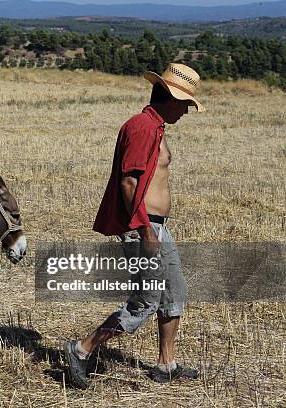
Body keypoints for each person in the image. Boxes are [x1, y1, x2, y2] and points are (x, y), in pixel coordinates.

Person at [63, 63, 206, 388]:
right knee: (145, 301)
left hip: (156, 226)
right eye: (184, 104)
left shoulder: (154, 127)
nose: (185, 111)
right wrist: (144, 230)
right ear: (169, 98)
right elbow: (129, 183)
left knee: (174, 293)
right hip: (145, 227)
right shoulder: (142, 127)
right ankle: (82, 349)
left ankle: (166, 365)